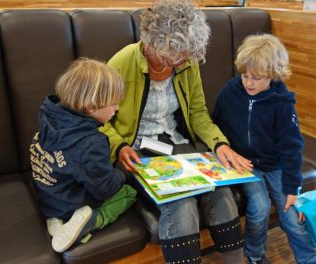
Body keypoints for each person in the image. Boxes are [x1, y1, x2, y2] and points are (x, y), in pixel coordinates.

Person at [101, 0, 253, 263]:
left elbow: (197, 112)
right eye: (174, 55)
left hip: (175, 143)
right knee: (181, 202)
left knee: (219, 191)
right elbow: (98, 118)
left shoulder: (186, 62)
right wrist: (119, 146)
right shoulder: (121, 63)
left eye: (186, 54)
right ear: (154, 41)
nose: (181, 61)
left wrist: (220, 144)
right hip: (137, 149)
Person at [212, 34, 316, 264]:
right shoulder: (230, 91)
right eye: (245, 76)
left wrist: (293, 188)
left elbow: (292, 147)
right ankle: (255, 255)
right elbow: (214, 125)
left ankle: (308, 259)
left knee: (293, 217)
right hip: (245, 165)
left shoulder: (282, 102)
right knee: (259, 208)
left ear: (273, 74)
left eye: (257, 78)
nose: (249, 83)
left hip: (276, 165)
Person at [29, 58, 137, 253]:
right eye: (113, 104)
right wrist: (123, 172)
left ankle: (55, 221)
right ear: (91, 107)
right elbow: (104, 189)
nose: (117, 109)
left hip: (49, 198)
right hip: (71, 202)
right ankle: (93, 219)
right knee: (129, 193)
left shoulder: (50, 115)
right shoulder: (89, 144)